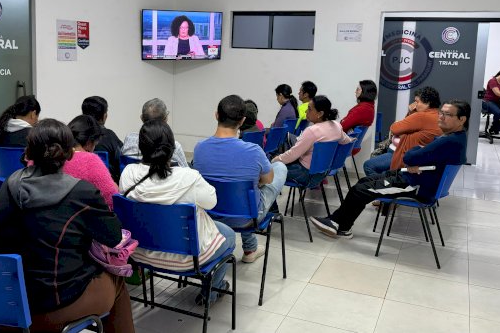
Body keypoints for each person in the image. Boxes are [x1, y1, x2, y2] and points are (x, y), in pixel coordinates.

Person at [0, 119, 134, 333]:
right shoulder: (82, 192)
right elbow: (113, 237)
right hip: (48, 308)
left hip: (5, 302)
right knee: (117, 281)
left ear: (28, 151)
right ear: (70, 153)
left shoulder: (8, 185)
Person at [310, 100, 470, 239]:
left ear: (461, 119)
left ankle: (341, 226)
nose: (441, 117)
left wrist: (416, 153)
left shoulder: (447, 141)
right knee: (364, 181)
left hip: (416, 186)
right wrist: (418, 155)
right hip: (415, 178)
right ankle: (337, 222)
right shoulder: (457, 138)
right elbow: (419, 154)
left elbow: (409, 156)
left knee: (361, 190)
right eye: (441, 113)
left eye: (447, 114)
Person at [120, 120, 234, 306]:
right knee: (228, 235)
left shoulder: (128, 173)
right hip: (188, 260)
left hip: (140, 254)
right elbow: (212, 202)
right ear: (172, 148)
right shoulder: (188, 177)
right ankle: (211, 291)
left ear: (141, 147)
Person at [194, 95, 287, 263]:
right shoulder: (254, 150)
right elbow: (268, 179)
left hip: (210, 213)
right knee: (279, 168)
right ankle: (250, 250)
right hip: (246, 217)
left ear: (216, 115)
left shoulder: (199, 148)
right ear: (242, 121)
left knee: (241, 192)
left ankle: (250, 248)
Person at [273, 95, 353, 186]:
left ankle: (264, 199)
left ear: (320, 113)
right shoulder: (336, 125)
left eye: (309, 109)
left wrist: (274, 161)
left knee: (270, 170)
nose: (306, 111)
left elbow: (292, 154)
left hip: (306, 174)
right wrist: (354, 137)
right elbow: (347, 141)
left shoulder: (312, 131)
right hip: (322, 173)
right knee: (290, 142)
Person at [363, 86, 442, 177]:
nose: (414, 105)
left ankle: (382, 186)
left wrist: (411, 114)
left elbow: (394, 128)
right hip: (413, 157)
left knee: (368, 165)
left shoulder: (421, 116)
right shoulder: (437, 115)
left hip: (401, 156)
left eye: (417, 101)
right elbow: (407, 128)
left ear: (427, 103)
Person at [65, 115, 120, 209]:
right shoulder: (90, 160)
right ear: (89, 143)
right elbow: (111, 199)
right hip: (85, 217)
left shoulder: (57, 156)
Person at [122, 98, 189, 167]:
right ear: (166, 119)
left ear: (142, 118)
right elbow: (187, 172)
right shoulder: (174, 146)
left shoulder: (129, 139)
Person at [82, 96, 123, 183]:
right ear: (104, 116)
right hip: (108, 187)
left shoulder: (74, 135)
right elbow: (122, 162)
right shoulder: (109, 136)